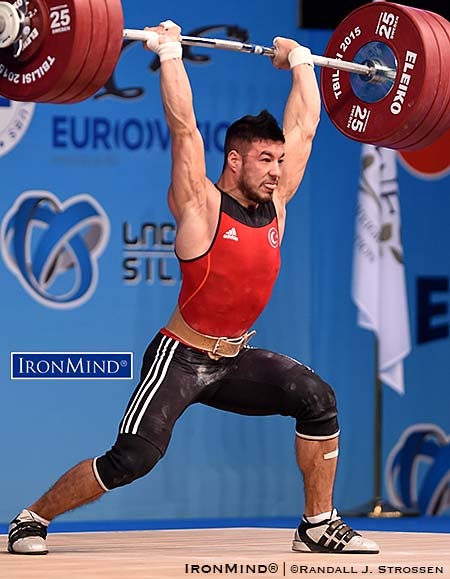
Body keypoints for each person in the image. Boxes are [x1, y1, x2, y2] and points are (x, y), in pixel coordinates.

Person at [7, 20, 379, 556]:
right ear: (234, 160)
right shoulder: (201, 206)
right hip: (179, 358)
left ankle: (317, 524)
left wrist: (301, 61)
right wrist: (170, 53)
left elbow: (305, 128)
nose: (278, 171)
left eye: (279, 161)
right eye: (265, 161)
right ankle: (31, 518)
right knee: (132, 458)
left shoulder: (276, 204)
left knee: (318, 400)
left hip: (235, 358)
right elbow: (184, 131)